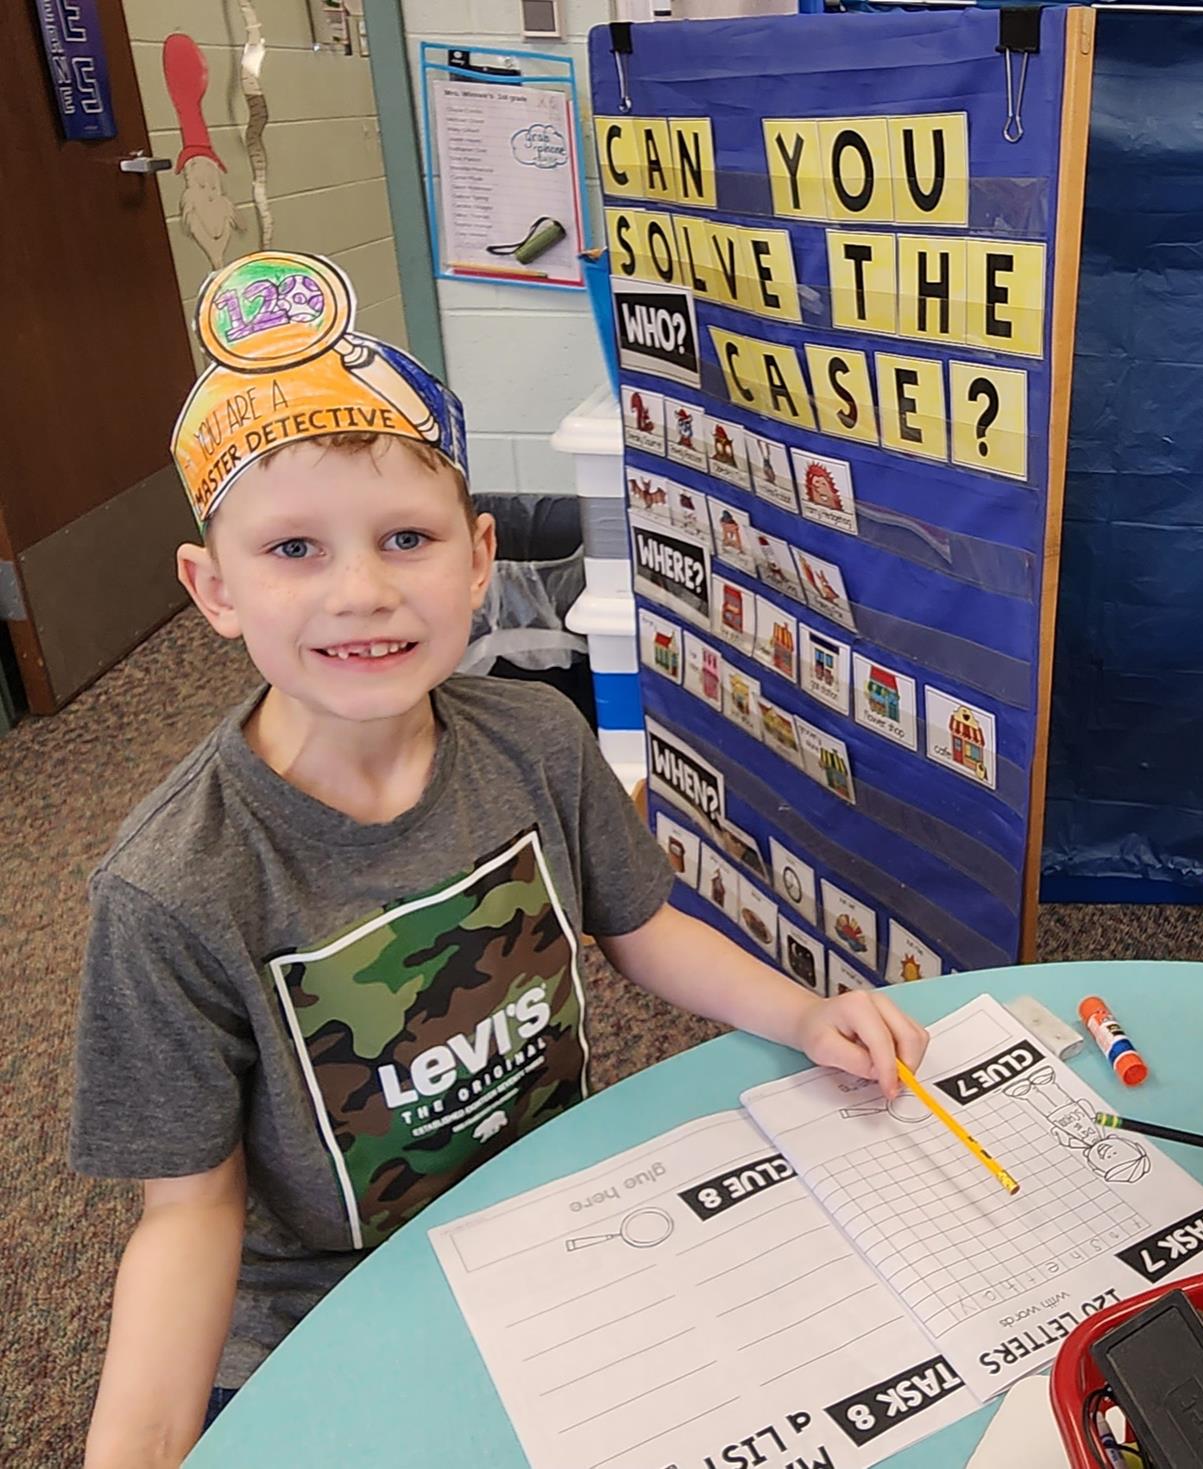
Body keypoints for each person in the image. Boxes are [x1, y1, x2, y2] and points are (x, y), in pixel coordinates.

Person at [70, 251, 927, 1465]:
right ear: (213, 588)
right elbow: (186, 1214)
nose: (362, 591)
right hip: (334, 1307)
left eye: (405, 538)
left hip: (555, 1220)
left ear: (479, 559)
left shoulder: (534, 733)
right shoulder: (171, 887)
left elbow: (639, 928)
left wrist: (803, 1011)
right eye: (294, 551)